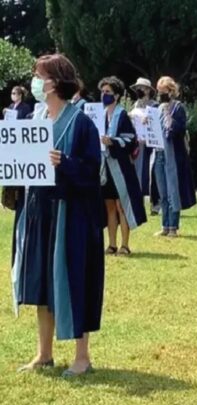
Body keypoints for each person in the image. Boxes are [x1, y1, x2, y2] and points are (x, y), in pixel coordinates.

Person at [12, 54, 104, 377]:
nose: (36, 81)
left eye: (41, 75)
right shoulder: (34, 118)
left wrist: (64, 162)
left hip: (70, 215)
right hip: (39, 211)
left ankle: (82, 357)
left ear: (55, 82)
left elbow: (93, 172)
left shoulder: (81, 123)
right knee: (40, 281)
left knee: (74, 279)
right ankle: (44, 353)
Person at [98, 76, 147, 255]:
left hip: (120, 167)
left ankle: (124, 245)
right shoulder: (100, 115)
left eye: (108, 92)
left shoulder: (122, 115)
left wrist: (113, 141)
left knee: (122, 205)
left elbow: (131, 140)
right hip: (105, 168)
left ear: (117, 96)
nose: (104, 95)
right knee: (109, 206)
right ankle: (111, 244)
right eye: (102, 92)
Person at [153, 76, 197, 237]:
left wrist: (167, 114)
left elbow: (178, 130)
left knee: (173, 191)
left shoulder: (178, 108)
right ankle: (165, 225)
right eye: (158, 91)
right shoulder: (157, 108)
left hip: (173, 155)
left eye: (163, 91)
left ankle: (173, 226)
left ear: (171, 91)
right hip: (159, 154)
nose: (160, 94)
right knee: (163, 192)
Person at [129, 78, 158, 206]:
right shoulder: (135, 105)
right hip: (138, 144)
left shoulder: (154, 105)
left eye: (141, 88)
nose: (139, 90)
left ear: (148, 90)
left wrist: (150, 118)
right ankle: (138, 201)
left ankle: (155, 202)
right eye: (137, 88)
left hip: (151, 144)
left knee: (152, 173)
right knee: (138, 172)